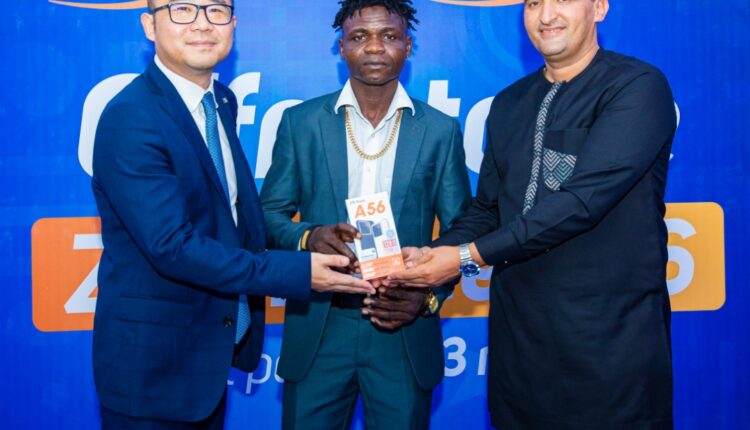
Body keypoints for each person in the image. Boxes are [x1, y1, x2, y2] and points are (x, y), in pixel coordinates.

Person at [390, 0, 676, 428]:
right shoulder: (508, 103)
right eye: (534, 3)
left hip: (608, 342)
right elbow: (488, 209)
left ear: (599, 7)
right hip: (519, 346)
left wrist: (464, 257)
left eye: (563, 0)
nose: (546, 15)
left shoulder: (636, 87)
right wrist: (432, 255)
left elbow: (581, 203)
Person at [91, 1, 374, 428]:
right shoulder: (131, 116)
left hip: (206, 354)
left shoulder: (220, 101)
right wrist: (298, 272)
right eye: (182, 9)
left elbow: (233, 219)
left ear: (234, 24)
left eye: (216, 10)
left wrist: (308, 236)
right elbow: (173, 247)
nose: (202, 24)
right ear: (149, 25)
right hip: (154, 369)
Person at [259, 1, 471, 428]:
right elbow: (267, 215)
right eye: (359, 37)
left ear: (407, 45)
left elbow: (460, 231)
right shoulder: (300, 122)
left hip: (401, 326)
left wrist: (427, 297)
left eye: (389, 36)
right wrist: (308, 237)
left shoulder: (440, 129)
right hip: (320, 324)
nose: (374, 47)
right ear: (341, 48)